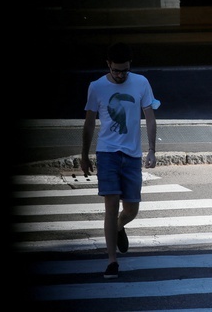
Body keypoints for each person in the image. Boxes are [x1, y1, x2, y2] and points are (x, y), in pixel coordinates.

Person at [80, 42, 158, 279]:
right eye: (116, 70)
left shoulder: (141, 83)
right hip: (107, 154)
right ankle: (112, 261)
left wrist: (152, 150)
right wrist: (84, 155)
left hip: (132, 155)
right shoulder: (96, 87)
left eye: (124, 70)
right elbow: (89, 122)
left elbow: (150, 118)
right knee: (111, 206)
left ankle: (119, 227)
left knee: (131, 209)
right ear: (108, 65)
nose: (121, 75)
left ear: (129, 65)